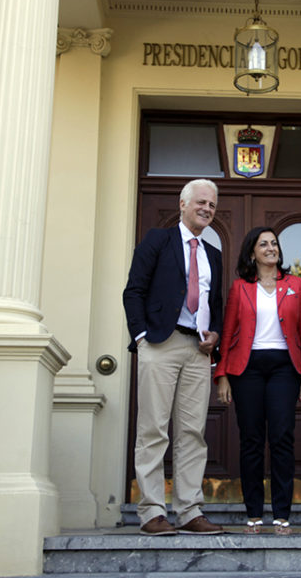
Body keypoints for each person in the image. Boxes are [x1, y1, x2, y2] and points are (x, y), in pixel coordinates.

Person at [122, 178, 225, 536]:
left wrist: (217, 335)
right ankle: (152, 511)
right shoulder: (157, 240)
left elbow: (216, 305)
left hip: (198, 351)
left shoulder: (214, 254)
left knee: (192, 432)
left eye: (212, 205)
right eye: (200, 202)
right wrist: (141, 337)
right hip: (160, 344)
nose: (207, 209)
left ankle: (189, 510)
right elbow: (133, 291)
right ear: (182, 204)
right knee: (152, 429)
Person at [214, 227, 301, 536]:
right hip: (247, 369)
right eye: (264, 244)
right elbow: (229, 330)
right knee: (251, 440)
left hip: (285, 368)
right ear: (252, 253)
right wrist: (222, 375)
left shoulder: (296, 285)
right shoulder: (240, 288)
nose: (271, 248)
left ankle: (283, 513)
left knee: (283, 437)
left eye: (274, 243)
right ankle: (254, 514)